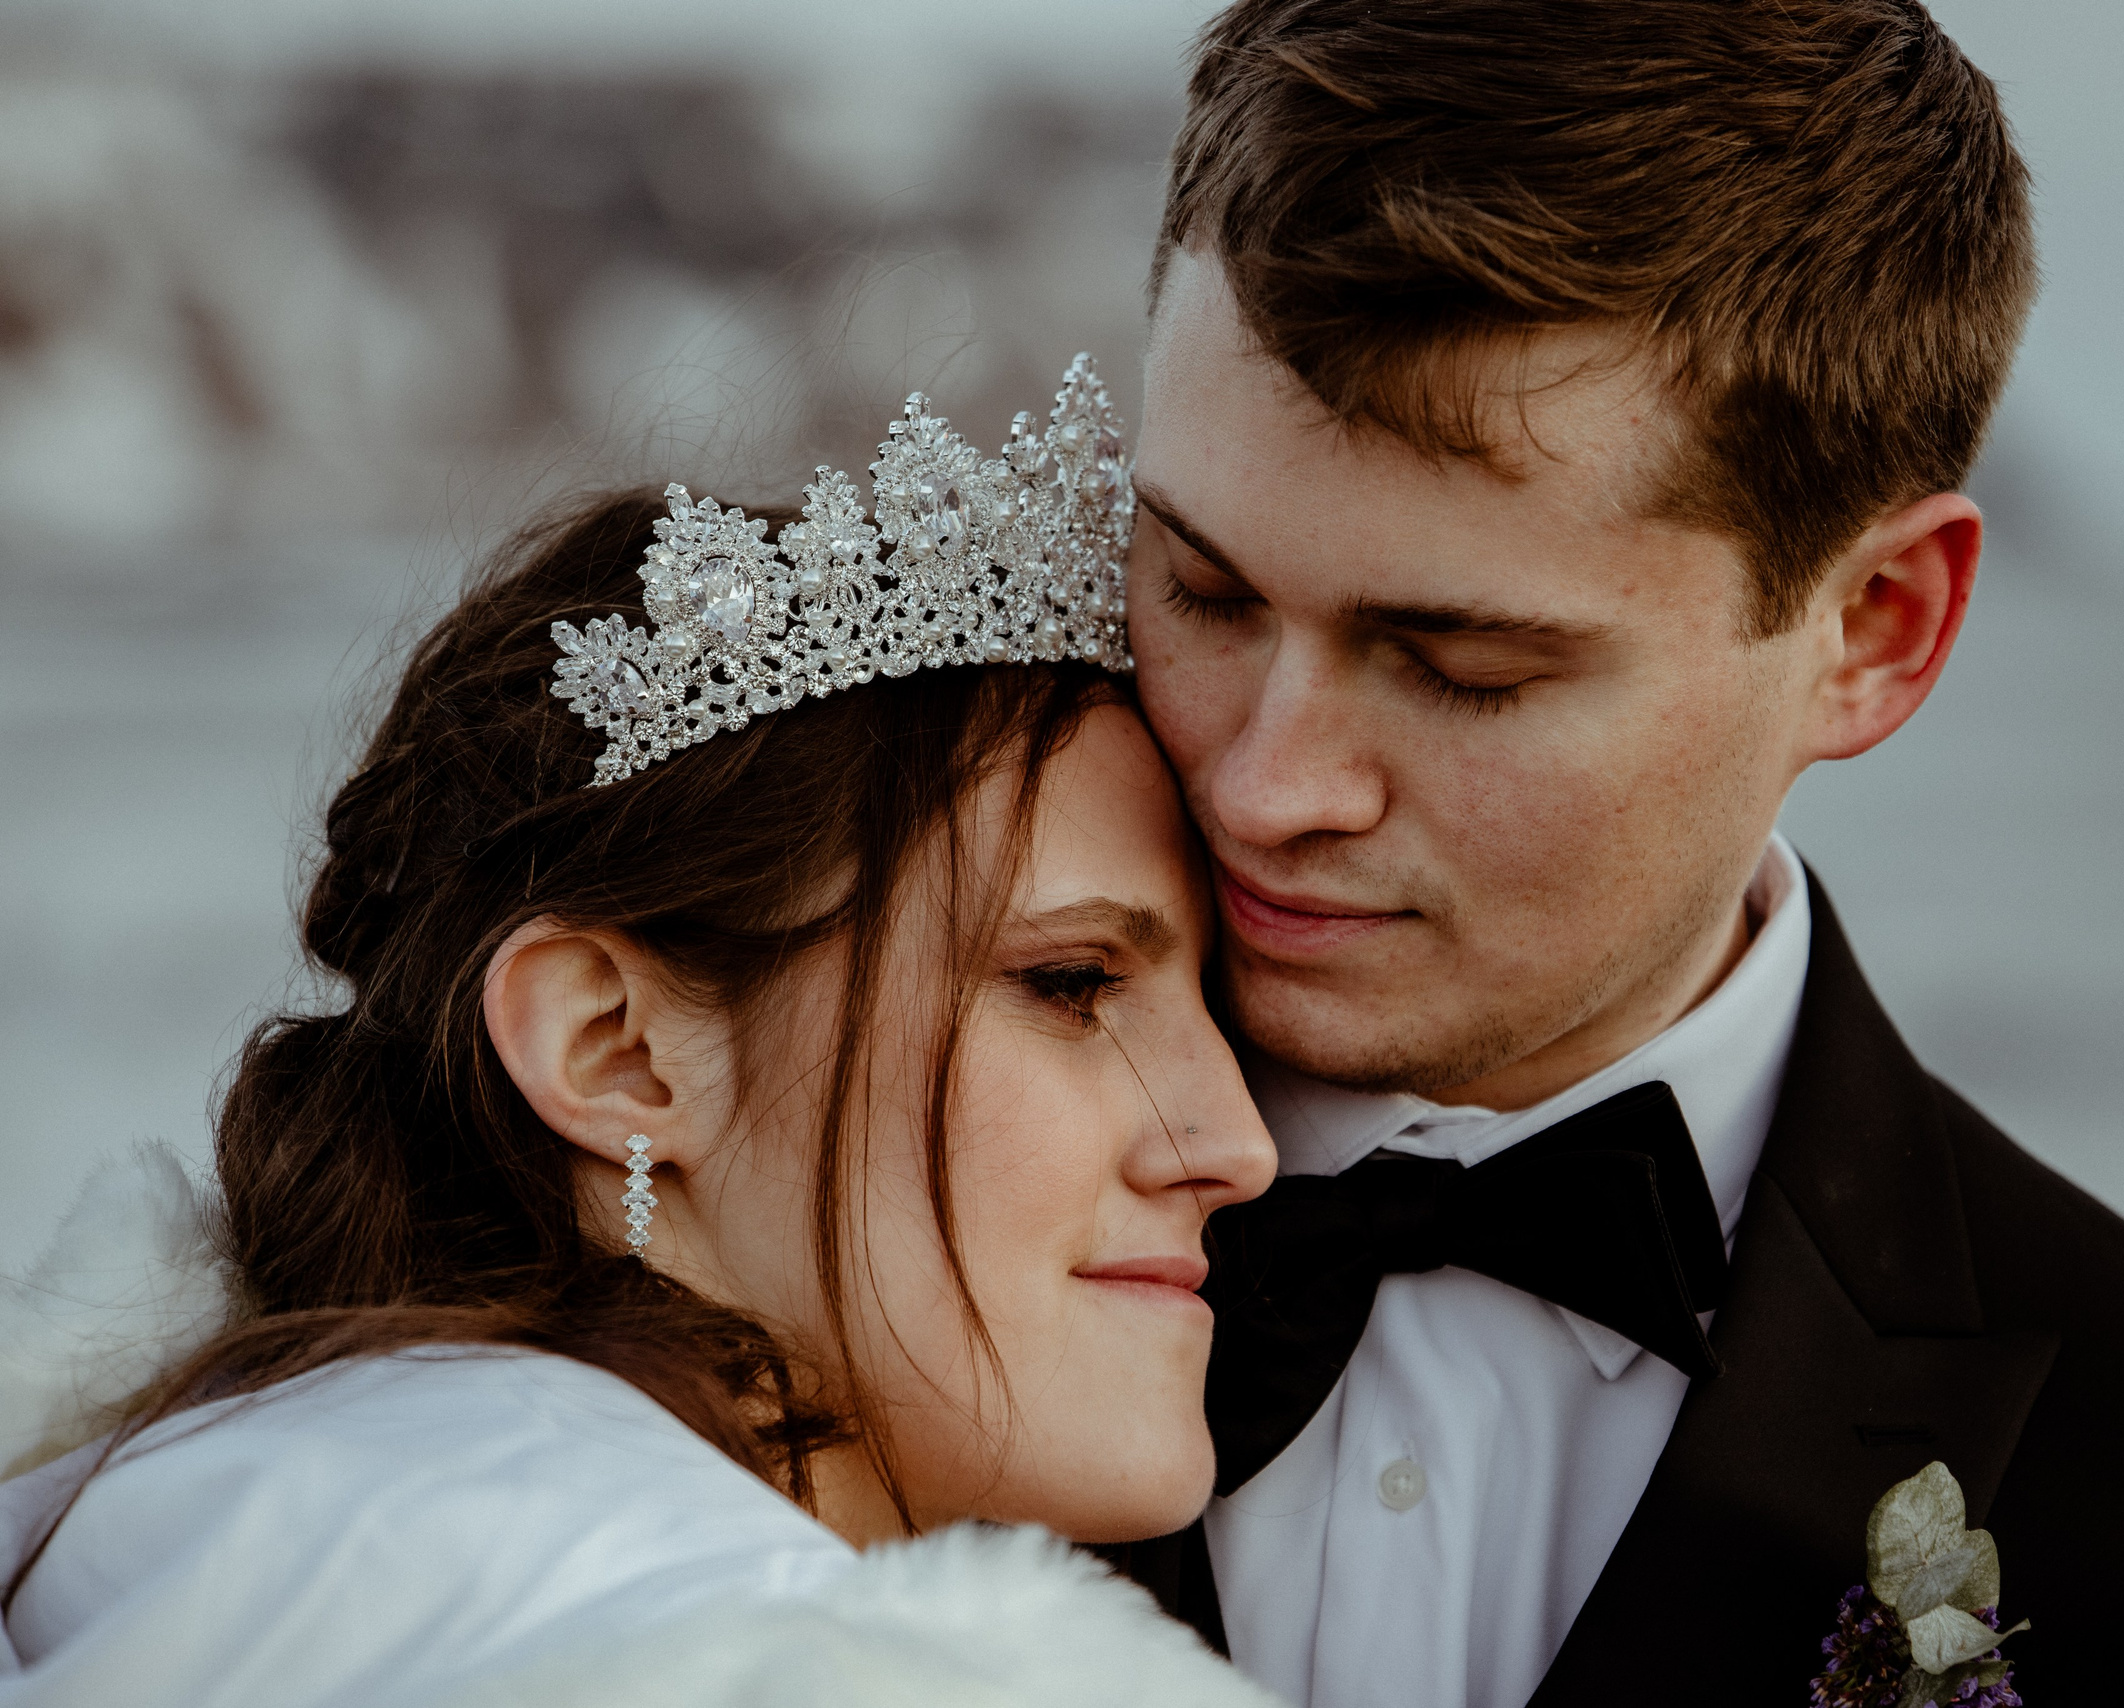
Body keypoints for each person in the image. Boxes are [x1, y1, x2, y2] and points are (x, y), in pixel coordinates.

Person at [1107, 4, 2124, 1706]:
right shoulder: (811, 1201)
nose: (1265, 785)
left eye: (1466, 666)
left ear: (1873, 629)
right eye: (1201, 589)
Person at [0, 363, 1283, 1706]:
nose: (1236, 1146)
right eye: (1072, 983)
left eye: (1220, 1010)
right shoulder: (756, 1659)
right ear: (614, 1046)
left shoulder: (216, 1535)